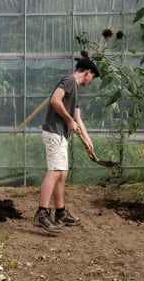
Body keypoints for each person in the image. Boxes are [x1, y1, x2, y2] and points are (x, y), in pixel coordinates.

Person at [33, 57, 99, 234]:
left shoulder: (75, 89)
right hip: (54, 132)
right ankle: (42, 213)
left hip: (61, 135)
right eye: (92, 77)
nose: (91, 81)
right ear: (88, 72)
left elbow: (78, 119)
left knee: (62, 173)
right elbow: (55, 100)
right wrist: (68, 120)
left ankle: (60, 212)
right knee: (55, 171)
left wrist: (88, 141)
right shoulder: (69, 80)